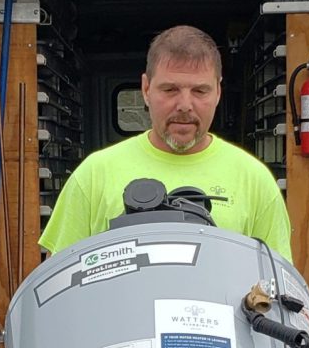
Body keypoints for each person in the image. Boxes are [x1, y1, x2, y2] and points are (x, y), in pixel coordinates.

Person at [38, 25, 293, 260]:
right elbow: (58, 282)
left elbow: (277, 287)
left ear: (218, 92)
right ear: (146, 89)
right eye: (170, 90)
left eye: (200, 91)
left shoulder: (254, 180)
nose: (184, 105)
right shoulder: (94, 175)